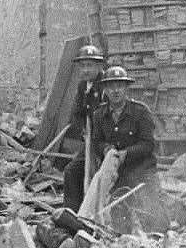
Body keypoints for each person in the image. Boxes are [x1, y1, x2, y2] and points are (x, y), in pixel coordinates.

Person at [63, 65, 158, 210]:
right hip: (113, 169)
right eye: (111, 87)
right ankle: (71, 216)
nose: (115, 91)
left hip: (140, 168)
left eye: (120, 86)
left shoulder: (141, 112)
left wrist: (126, 154)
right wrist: (106, 149)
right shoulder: (99, 114)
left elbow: (148, 145)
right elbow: (97, 141)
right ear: (105, 90)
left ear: (126, 88)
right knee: (106, 204)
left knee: (153, 216)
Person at [64, 43, 108, 145]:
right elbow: (78, 111)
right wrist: (83, 129)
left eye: (89, 65)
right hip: (90, 137)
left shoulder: (106, 85)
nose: (85, 70)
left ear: (99, 66)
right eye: (82, 66)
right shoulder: (82, 86)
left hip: (106, 139)